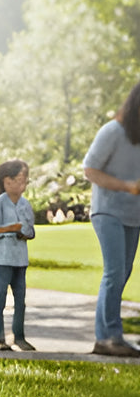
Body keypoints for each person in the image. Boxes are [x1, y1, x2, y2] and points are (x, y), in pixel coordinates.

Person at [83, 85, 140, 358]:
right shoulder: (112, 132)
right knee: (115, 272)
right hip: (108, 211)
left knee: (123, 274)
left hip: (133, 215)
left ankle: (107, 337)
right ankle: (108, 337)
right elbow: (90, 170)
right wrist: (126, 185)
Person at [0, 159, 36, 351]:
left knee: (20, 299)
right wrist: (12, 228)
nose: (23, 184)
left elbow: (31, 231)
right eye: (20, 179)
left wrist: (24, 231)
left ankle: (19, 336)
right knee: (1, 294)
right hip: (1, 257)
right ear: (7, 181)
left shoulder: (25, 205)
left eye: (25, 180)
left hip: (20, 258)